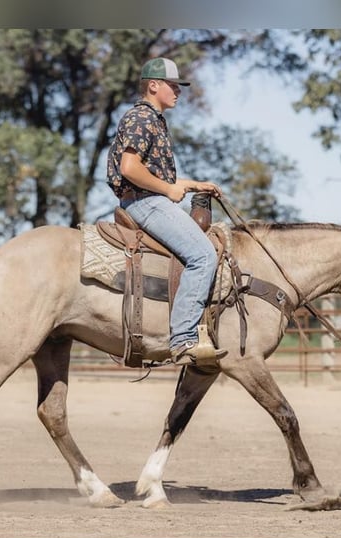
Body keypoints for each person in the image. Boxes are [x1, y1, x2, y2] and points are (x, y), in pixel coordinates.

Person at [106, 57, 227, 366]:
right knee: (203, 256)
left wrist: (194, 184)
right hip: (145, 202)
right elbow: (129, 168)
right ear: (153, 85)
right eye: (173, 85)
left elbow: (158, 178)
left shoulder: (153, 119)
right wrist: (169, 190)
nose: (178, 91)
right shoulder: (141, 118)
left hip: (150, 197)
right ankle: (184, 339)